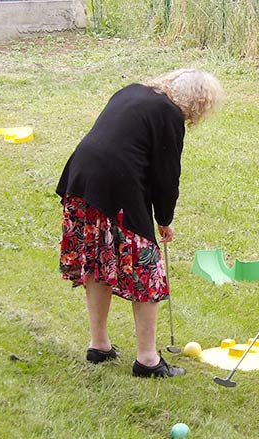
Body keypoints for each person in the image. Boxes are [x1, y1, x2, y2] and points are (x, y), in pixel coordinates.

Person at [56, 69, 223, 378]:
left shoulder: (132, 91)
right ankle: (147, 359)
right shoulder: (168, 114)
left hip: (81, 179)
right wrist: (164, 220)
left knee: (97, 260)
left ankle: (99, 345)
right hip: (115, 185)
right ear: (198, 102)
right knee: (147, 270)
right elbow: (166, 176)